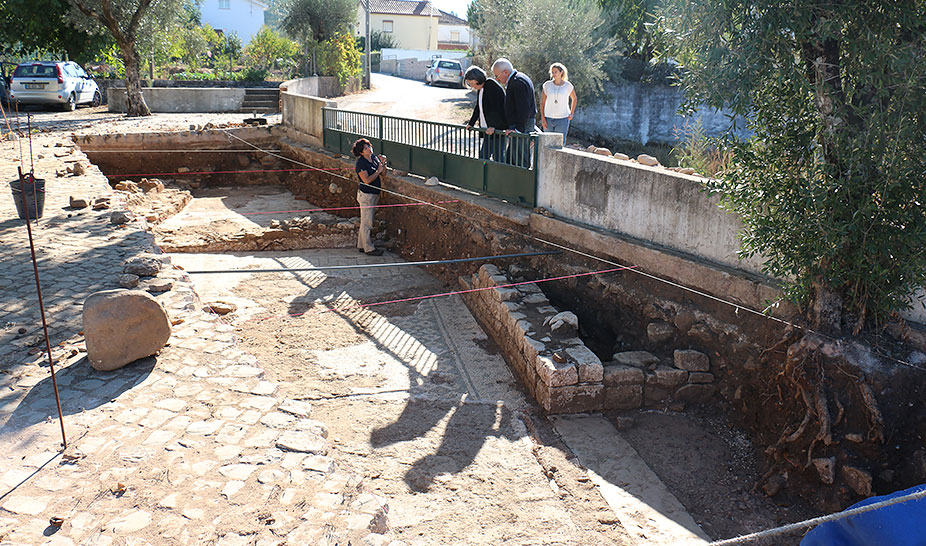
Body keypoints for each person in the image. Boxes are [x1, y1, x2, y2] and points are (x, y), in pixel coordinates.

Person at [491, 58, 537, 168]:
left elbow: (523, 109)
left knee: (520, 160)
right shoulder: (518, 79)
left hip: (520, 127)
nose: (497, 79)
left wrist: (518, 129)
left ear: (505, 72)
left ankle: (521, 183)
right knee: (513, 158)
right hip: (520, 126)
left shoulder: (517, 82)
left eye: (497, 76)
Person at [463, 66, 507, 162]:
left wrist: (493, 126)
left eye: (471, 83)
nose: (471, 86)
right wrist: (471, 123)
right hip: (488, 130)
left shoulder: (491, 86)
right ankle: (485, 176)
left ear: (477, 79)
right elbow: (478, 107)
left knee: (498, 158)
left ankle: (500, 176)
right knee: (483, 157)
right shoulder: (481, 89)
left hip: (496, 130)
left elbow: (497, 109)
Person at [352, 138, 386, 256]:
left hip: (374, 193)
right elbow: (366, 180)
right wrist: (378, 171)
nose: (369, 150)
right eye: (365, 149)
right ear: (361, 152)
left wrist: (382, 163)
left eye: (369, 147)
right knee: (367, 222)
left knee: (365, 221)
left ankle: (362, 245)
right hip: (366, 195)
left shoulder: (374, 158)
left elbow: (383, 173)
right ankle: (369, 248)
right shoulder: (361, 163)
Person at [540, 63, 577, 140]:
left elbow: (574, 99)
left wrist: (572, 113)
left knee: (559, 144)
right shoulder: (547, 85)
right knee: (547, 143)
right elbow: (542, 102)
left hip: (563, 119)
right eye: (552, 72)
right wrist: (543, 118)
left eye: (555, 72)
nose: (554, 74)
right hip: (548, 119)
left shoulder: (568, 85)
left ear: (561, 72)